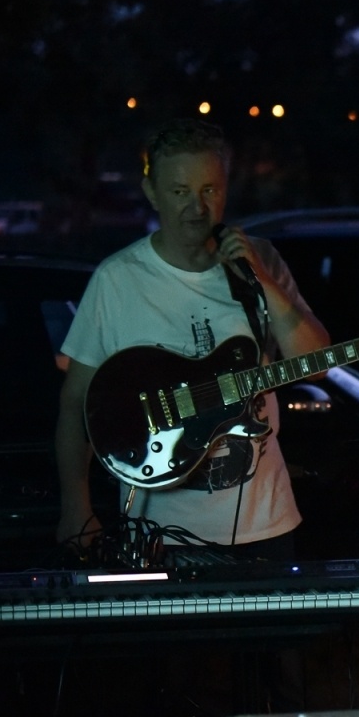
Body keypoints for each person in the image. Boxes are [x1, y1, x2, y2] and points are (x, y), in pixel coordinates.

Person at [54, 118, 330, 559]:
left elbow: (316, 363)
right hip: (158, 532)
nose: (196, 207)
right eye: (180, 191)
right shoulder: (117, 279)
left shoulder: (260, 259)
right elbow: (76, 402)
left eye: (209, 190)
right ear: (152, 193)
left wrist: (262, 280)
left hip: (266, 523)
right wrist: (76, 506)